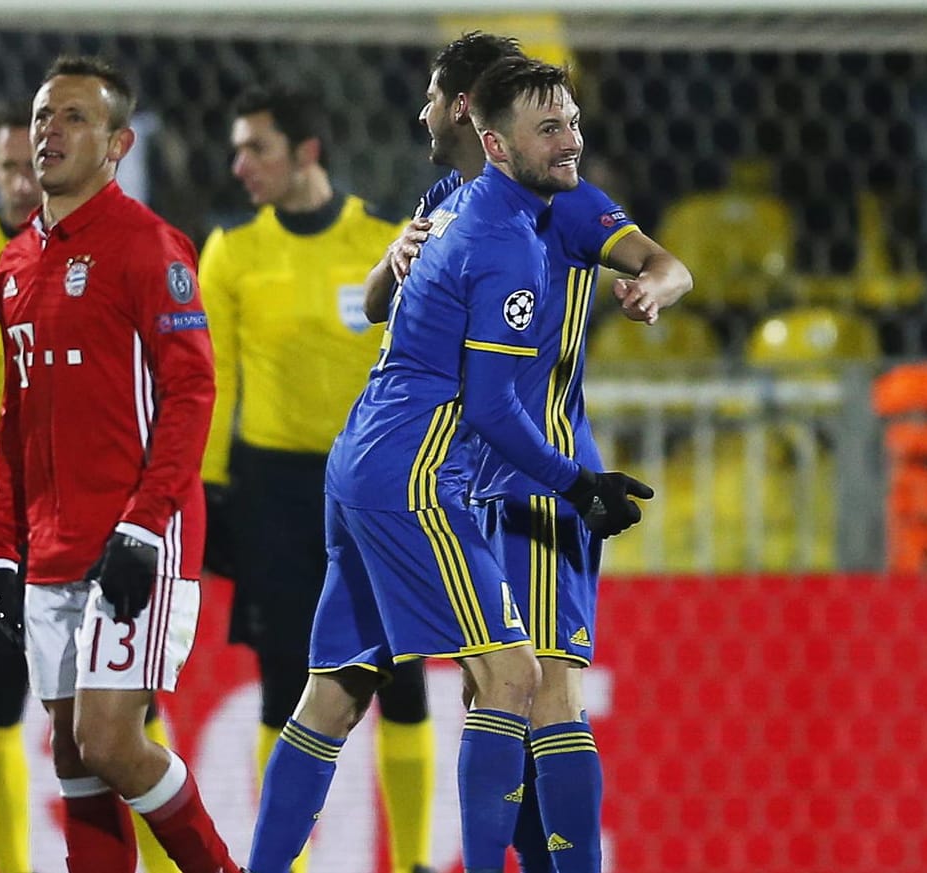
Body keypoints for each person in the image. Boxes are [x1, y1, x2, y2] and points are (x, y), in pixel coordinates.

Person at [246, 57, 651, 873]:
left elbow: (654, 260)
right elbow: (494, 407)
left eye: (572, 124)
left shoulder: (460, 209)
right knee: (515, 676)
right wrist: (579, 482)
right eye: (551, 128)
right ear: (495, 137)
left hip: (357, 457)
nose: (572, 142)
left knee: (333, 690)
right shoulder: (508, 243)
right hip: (420, 474)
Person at [362, 33, 692, 873]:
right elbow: (371, 308)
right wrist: (391, 258)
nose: (425, 112)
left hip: (548, 483)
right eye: (555, 122)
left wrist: (651, 286)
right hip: (461, 484)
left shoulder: (567, 203)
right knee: (492, 696)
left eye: (436, 97)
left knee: (549, 689)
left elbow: (666, 264)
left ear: (468, 111)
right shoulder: (451, 201)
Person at [0, 100, 180, 873]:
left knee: (120, 708)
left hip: (89, 482)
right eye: (7, 168)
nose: (23, 181)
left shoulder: (117, 252)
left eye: (32, 162)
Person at [0, 54, 238, 873]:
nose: (49, 130)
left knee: (112, 739)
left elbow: (193, 391)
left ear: (120, 142)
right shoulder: (15, 265)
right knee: (73, 755)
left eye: (75, 117)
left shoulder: (150, 248)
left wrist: (141, 523)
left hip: (136, 539)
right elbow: (17, 415)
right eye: (43, 114)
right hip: (50, 545)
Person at [197, 85, 436, 873]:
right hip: (272, 491)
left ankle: (410, 862)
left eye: (255, 148)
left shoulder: (384, 238)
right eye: (236, 149)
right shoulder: (231, 250)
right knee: (283, 682)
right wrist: (210, 487)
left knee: (401, 680)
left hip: (378, 484)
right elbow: (217, 379)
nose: (240, 166)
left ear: (307, 152)